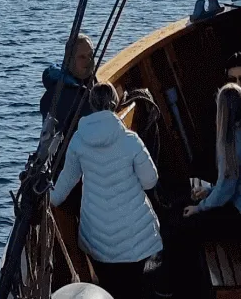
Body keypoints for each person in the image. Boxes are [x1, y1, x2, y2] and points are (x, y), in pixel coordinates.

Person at [50, 83, 162, 299]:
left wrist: (47, 198)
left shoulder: (79, 141)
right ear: (116, 103)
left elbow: (64, 185)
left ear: (91, 105)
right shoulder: (130, 141)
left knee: (111, 289)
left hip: (98, 242)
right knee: (137, 288)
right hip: (136, 240)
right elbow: (150, 181)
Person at [182, 84, 241, 230]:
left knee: (191, 221)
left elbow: (226, 189)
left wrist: (200, 207)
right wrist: (209, 191)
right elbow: (233, 182)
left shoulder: (233, 142)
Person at [42, 33, 96, 138]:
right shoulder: (63, 93)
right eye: (82, 57)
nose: (89, 60)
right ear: (69, 60)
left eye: (91, 55)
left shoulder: (87, 80)